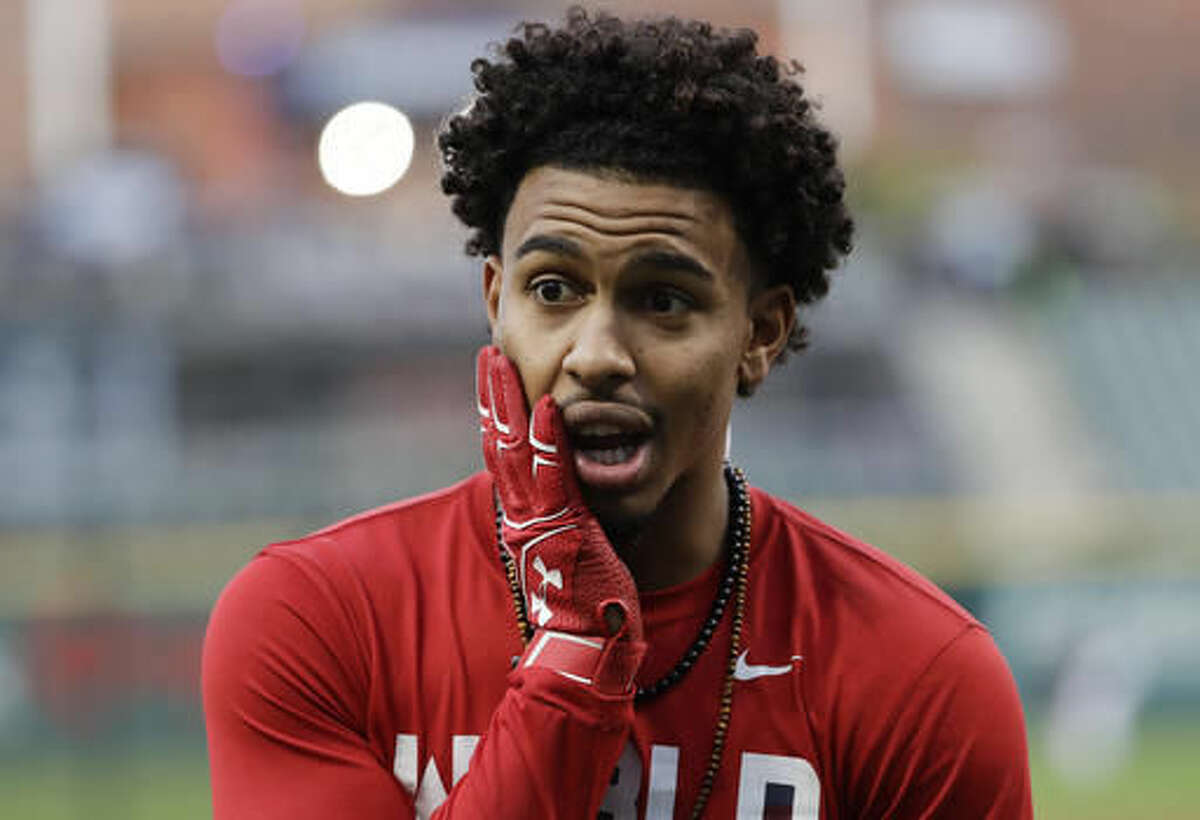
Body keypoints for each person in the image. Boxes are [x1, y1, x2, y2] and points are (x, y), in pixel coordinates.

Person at [202, 8, 1033, 818]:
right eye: (553, 290)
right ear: (496, 302)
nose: (596, 352)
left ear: (761, 331)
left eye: (664, 299)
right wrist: (573, 652)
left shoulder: (917, 673)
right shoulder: (314, 621)